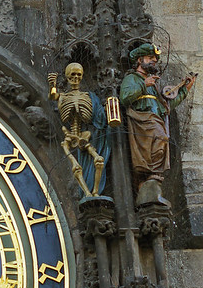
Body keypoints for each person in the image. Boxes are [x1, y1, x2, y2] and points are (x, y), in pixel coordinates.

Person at [120, 43, 196, 190]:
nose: (154, 60)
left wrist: (185, 90)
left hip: (155, 120)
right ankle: (146, 174)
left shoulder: (153, 84)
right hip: (142, 122)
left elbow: (165, 107)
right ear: (139, 60)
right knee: (160, 139)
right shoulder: (132, 79)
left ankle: (152, 174)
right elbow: (124, 98)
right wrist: (144, 84)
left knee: (162, 139)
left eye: (155, 58)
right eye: (150, 58)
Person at [48, 62, 110, 197]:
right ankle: (87, 193)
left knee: (99, 160)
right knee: (77, 165)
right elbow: (53, 96)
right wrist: (52, 85)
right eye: (72, 75)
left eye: (78, 75)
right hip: (69, 135)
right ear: (67, 77)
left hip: (85, 134)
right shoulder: (63, 96)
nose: (75, 78)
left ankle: (95, 191)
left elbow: (97, 115)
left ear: (82, 77)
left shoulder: (89, 96)